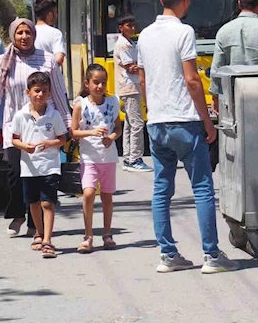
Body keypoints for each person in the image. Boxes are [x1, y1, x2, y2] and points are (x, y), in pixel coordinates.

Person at [138, 0, 239, 274]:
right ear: (185, 1)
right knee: (203, 188)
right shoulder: (184, 32)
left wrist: (150, 111)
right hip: (184, 119)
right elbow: (192, 80)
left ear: (160, 1)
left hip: (157, 122)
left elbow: (143, 80)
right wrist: (207, 121)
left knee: (161, 190)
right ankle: (211, 255)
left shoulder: (143, 35)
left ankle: (168, 255)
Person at [0, 18, 71, 238]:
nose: (24, 37)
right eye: (19, 33)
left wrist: (68, 125)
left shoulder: (47, 60)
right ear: (13, 36)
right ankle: (18, 214)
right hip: (14, 127)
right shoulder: (2, 61)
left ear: (34, 35)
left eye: (28, 32)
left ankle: (37, 226)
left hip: (44, 127)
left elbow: (59, 94)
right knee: (16, 174)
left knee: (39, 177)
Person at [9, 71, 68, 259]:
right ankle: (38, 233)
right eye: (36, 91)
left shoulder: (54, 115)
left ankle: (48, 240)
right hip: (29, 168)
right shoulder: (21, 115)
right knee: (33, 203)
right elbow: (15, 139)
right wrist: (24, 147)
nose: (40, 95)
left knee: (47, 202)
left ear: (49, 94)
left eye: (44, 91)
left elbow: (62, 138)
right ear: (28, 92)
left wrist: (50, 143)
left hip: (50, 166)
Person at [71, 64, 122, 253]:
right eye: (96, 82)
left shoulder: (112, 102)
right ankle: (88, 235)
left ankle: (107, 233)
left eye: (103, 82)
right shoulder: (80, 105)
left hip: (108, 157)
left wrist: (111, 138)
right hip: (89, 157)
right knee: (89, 193)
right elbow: (73, 132)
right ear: (87, 83)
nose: (100, 86)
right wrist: (91, 132)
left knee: (107, 195)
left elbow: (118, 128)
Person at [113, 14, 151, 172]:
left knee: (129, 123)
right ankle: (135, 158)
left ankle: (128, 157)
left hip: (132, 86)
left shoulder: (130, 43)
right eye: (129, 26)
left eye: (133, 25)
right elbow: (131, 67)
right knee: (137, 123)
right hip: (129, 87)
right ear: (121, 28)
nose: (132, 28)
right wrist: (143, 66)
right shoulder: (124, 45)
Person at [33, 0, 66, 67]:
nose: (57, 15)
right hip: (47, 77)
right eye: (56, 12)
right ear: (50, 15)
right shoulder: (55, 33)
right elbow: (59, 59)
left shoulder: (29, 31)